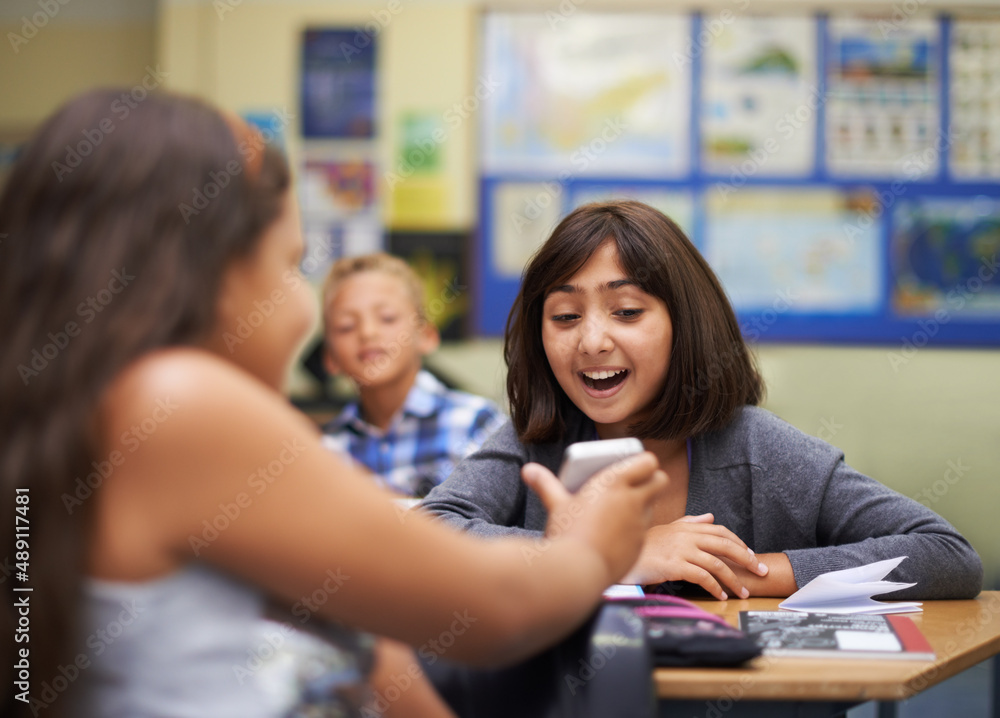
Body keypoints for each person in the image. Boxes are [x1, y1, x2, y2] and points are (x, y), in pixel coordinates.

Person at [0, 90, 666, 718]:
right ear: (213, 273)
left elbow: (371, 652)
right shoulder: (177, 402)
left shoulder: (80, 410)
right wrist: (591, 547)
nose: (300, 311)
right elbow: (495, 610)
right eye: (291, 265)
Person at [421, 200, 984, 603]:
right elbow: (429, 533)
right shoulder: (533, 444)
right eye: (565, 317)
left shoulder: (758, 447)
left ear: (683, 325)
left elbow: (947, 557)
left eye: (627, 311)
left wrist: (749, 572)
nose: (591, 340)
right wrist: (619, 556)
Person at [320, 253, 507, 498]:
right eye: (346, 326)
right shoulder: (325, 451)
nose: (367, 332)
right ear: (330, 359)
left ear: (426, 336)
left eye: (387, 318)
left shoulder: (478, 424)